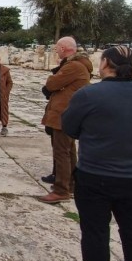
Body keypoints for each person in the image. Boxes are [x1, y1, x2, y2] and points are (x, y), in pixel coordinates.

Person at [51, 46, 132, 261]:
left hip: (96, 173)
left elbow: (70, 127)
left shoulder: (91, 94)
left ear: (107, 63)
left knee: (96, 231)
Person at [39, 36, 94, 204]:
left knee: (61, 152)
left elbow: (51, 83)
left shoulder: (73, 66)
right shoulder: (77, 65)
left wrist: (54, 81)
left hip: (64, 113)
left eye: (57, 48)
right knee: (68, 151)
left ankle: (62, 189)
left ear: (63, 49)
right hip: (67, 113)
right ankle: (70, 184)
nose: (56, 51)